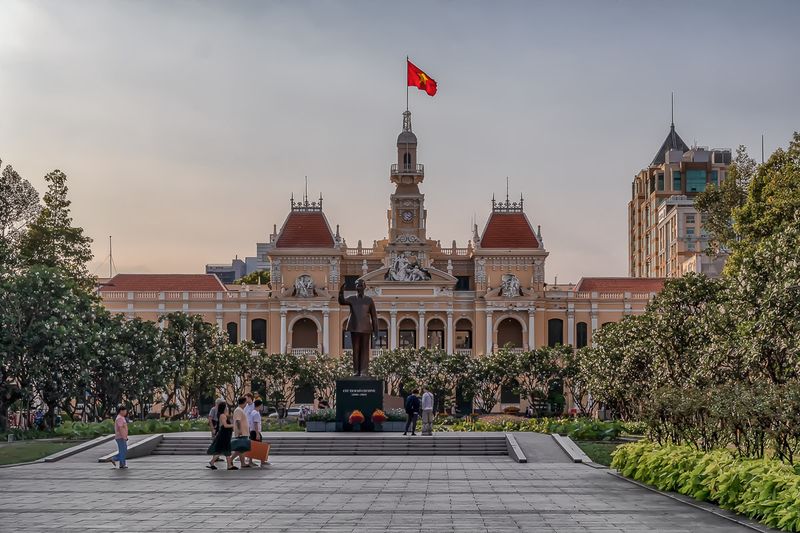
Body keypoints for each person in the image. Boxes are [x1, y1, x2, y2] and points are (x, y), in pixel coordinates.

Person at [207, 403, 235, 470]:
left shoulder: (224, 415)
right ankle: (213, 462)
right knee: (224, 449)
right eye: (226, 407)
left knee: (225, 450)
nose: (227, 408)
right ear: (224, 408)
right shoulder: (222, 415)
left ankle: (228, 465)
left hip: (225, 435)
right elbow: (225, 425)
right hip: (223, 435)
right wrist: (234, 425)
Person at [232, 396, 250, 467]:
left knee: (241, 449)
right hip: (242, 433)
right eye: (246, 402)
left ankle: (243, 463)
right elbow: (238, 421)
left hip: (244, 432)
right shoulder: (238, 410)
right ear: (244, 402)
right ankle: (231, 459)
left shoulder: (240, 410)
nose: (246, 404)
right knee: (240, 449)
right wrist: (239, 431)